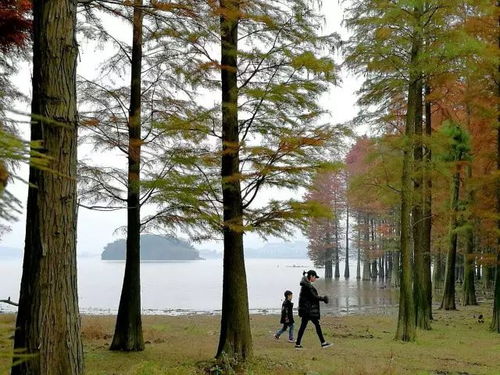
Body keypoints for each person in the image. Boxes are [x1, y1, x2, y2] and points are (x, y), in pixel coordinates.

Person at [295, 270, 332, 349]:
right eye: (315, 277)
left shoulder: (306, 285)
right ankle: (323, 343)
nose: (315, 279)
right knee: (316, 325)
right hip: (308, 310)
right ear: (311, 276)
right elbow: (314, 297)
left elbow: (312, 297)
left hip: (306, 310)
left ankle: (298, 344)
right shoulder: (307, 286)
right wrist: (323, 299)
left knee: (304, 326)